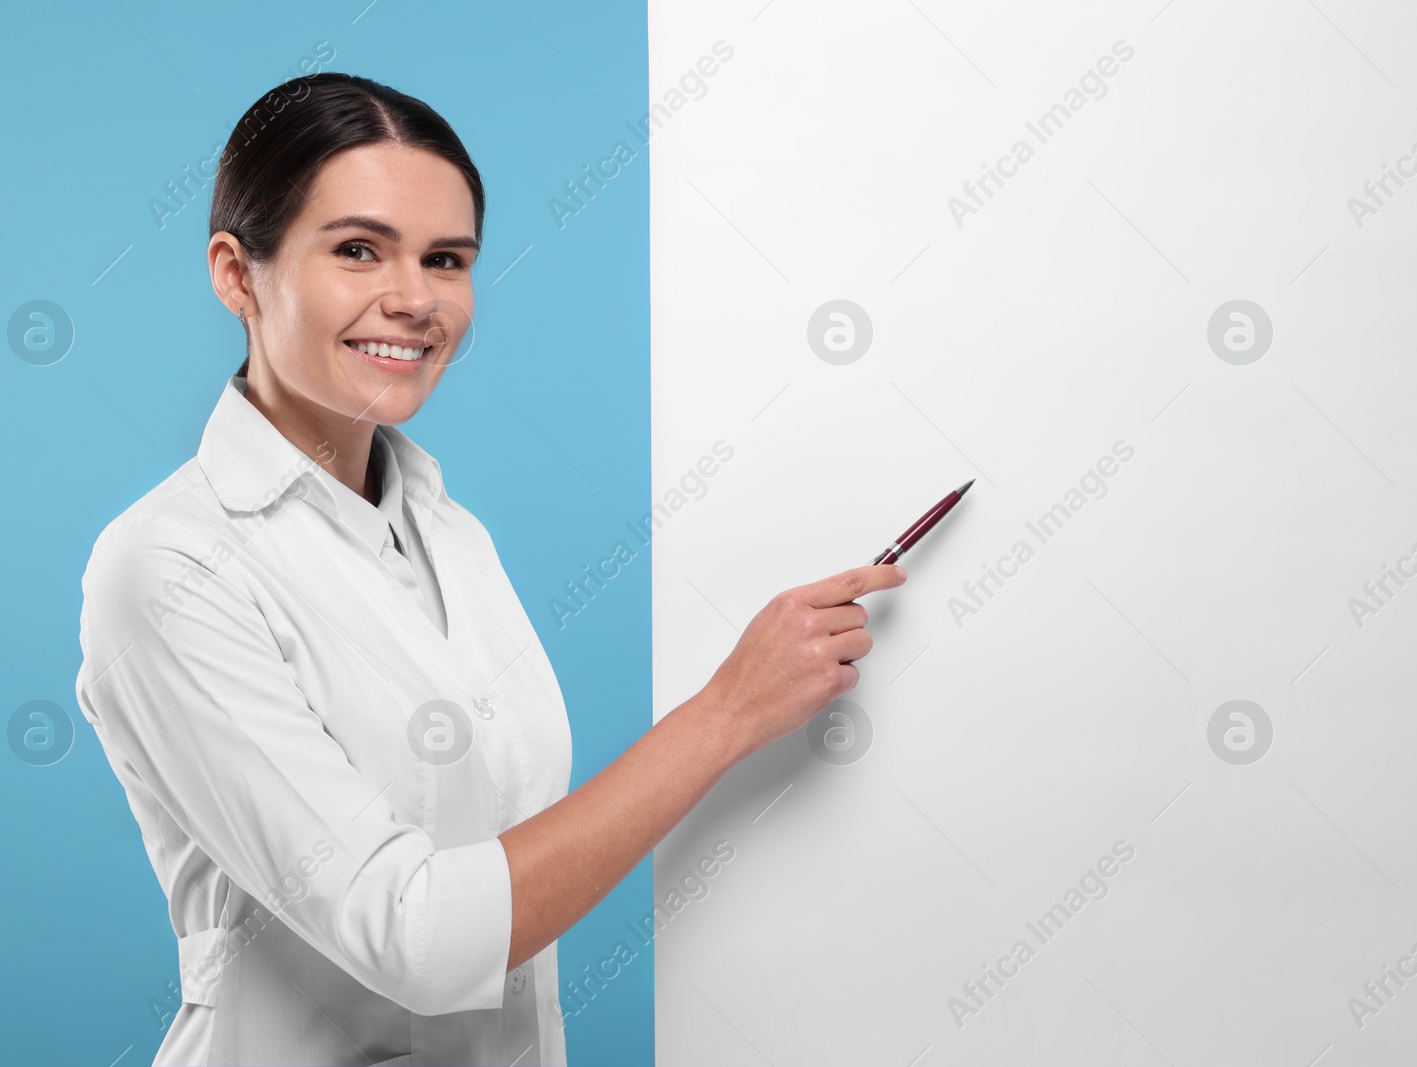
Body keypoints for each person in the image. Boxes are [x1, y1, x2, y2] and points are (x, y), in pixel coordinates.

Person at [73, 71, 905, 1067]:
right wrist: (726, 712)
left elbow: (509, 857)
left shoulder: (444, 525)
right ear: (236, 272)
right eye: (356, 250)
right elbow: (414, 931)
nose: (414, 298)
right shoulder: (167, 568)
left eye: (446, 259)